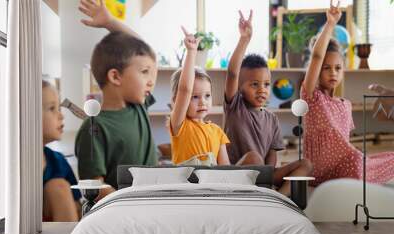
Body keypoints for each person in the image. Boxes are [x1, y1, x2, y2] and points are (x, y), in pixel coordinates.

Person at [302, 1, 394, 186]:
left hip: (344, 166)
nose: (333, 73)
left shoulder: (345, 104)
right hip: (318, 170)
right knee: (357, 160)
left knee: (388, 158)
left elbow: (345, 142)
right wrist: (330, 24)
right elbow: (317, 56)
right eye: (326, 68)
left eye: (337, 68)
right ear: (317, 70)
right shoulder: (312, 97)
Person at [223, 10, 313, 196]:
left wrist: (269, 174)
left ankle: (279, 198)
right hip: (237, 174)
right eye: (254, 84)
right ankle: (266, 194)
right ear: (240, 87)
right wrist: (244, 39)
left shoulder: (272, 119)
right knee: (254, 156)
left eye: (266, 84)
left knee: (305, 164)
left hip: (264, 174)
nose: (262, 89)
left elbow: (272, 154)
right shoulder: (235, 106)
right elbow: (232, 73)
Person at [75, 0, 158, 196]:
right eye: (144, 72)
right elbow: (94, 188)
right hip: (126, 215)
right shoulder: (94, 128)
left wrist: (110, 23)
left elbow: (148, 53)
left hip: (153, 204)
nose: (151, 81)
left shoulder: (138, 106)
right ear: (115, 76)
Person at [169, 27, 262, 166]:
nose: (202, 102)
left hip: (213, 184)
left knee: (254, 158)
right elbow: (184, 89)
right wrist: (191, 52)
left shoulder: (217, 132)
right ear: (177, 101)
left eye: (207, 96)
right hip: (188, 185)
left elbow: (224, 168)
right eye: (194, 97)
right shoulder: (179, 125)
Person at [42, 80, 81, 221]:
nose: (62, 115)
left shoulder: (59, 162)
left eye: (59, 108)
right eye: (52, 108)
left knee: (58, 187)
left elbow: (77, 208)